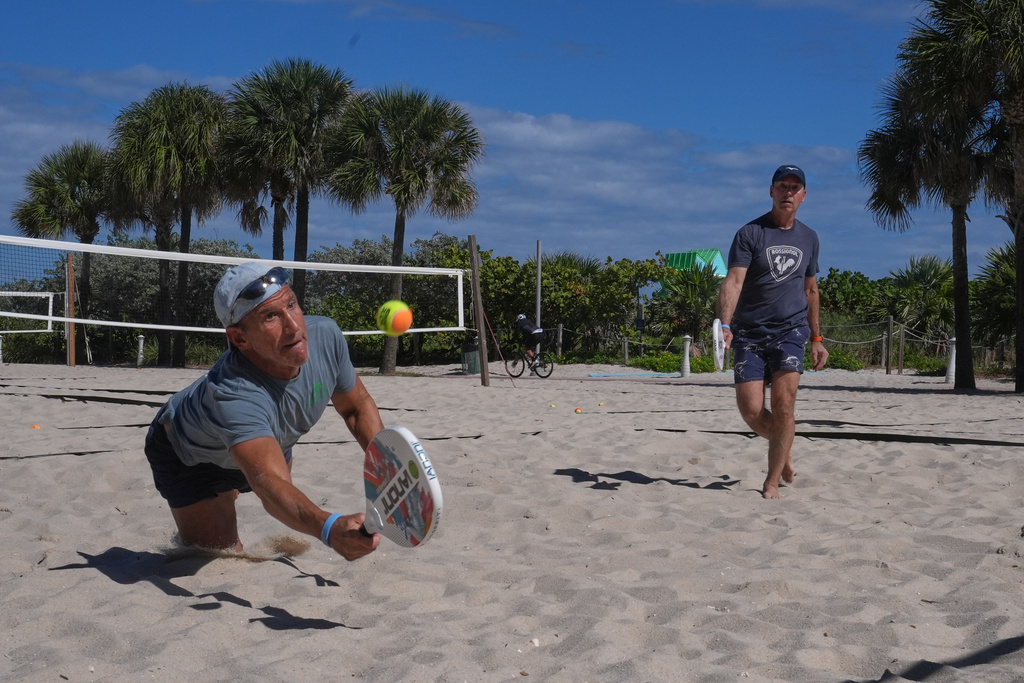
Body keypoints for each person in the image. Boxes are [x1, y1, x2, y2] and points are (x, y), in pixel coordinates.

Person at [143, 262, 385, 560]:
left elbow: (356, 408)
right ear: (239, 338)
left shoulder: (325, 335)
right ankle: (218, 497)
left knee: (265, 473)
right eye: (270, 316)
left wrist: (388, 466)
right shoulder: (233, 393)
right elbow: (269, 483)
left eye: (292, 305)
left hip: (267, 440)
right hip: (190, 458)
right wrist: (330, 528)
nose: (295, 327)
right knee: (220, 554)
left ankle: (232, 482)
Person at [716, 165, 829, 499]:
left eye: (795, 188)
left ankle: (771, 480)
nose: (788, 192)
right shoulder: (750, 233)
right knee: (751, 411)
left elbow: (811, 290)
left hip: (791, 331)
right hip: (749, 332)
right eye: (782, 186)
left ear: (804, 195)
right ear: (771, 191)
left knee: (784, 406)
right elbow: (733, 281)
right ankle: (785, 447)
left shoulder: (809, 237)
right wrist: (724, 324)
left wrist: (816, 338)